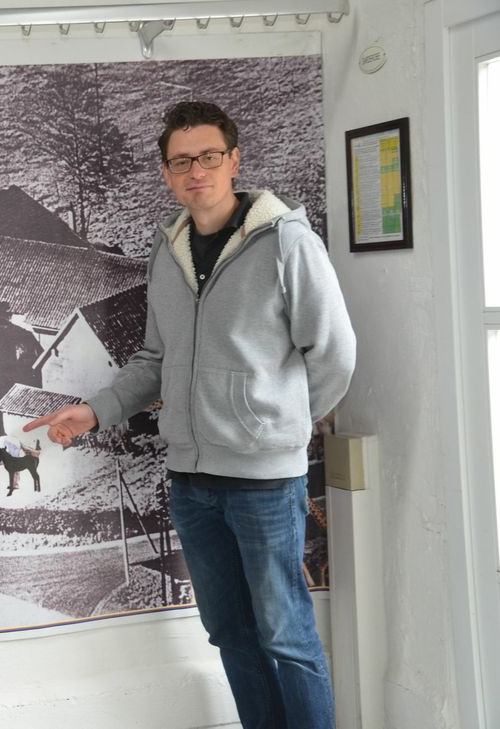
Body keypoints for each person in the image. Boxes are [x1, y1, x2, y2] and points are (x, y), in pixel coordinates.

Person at [25, 101, 355, 729]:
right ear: (168, 172)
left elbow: (335, 352)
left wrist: (278, 427)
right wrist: (93, 412)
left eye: (208, 156)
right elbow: (154, 358)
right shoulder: (168, 250)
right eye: (181, 161)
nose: (195, 171)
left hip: (264, 482)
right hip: (192, 484)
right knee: (230, 632)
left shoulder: (288, 243)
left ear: (234, 160)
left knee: (287, 637)